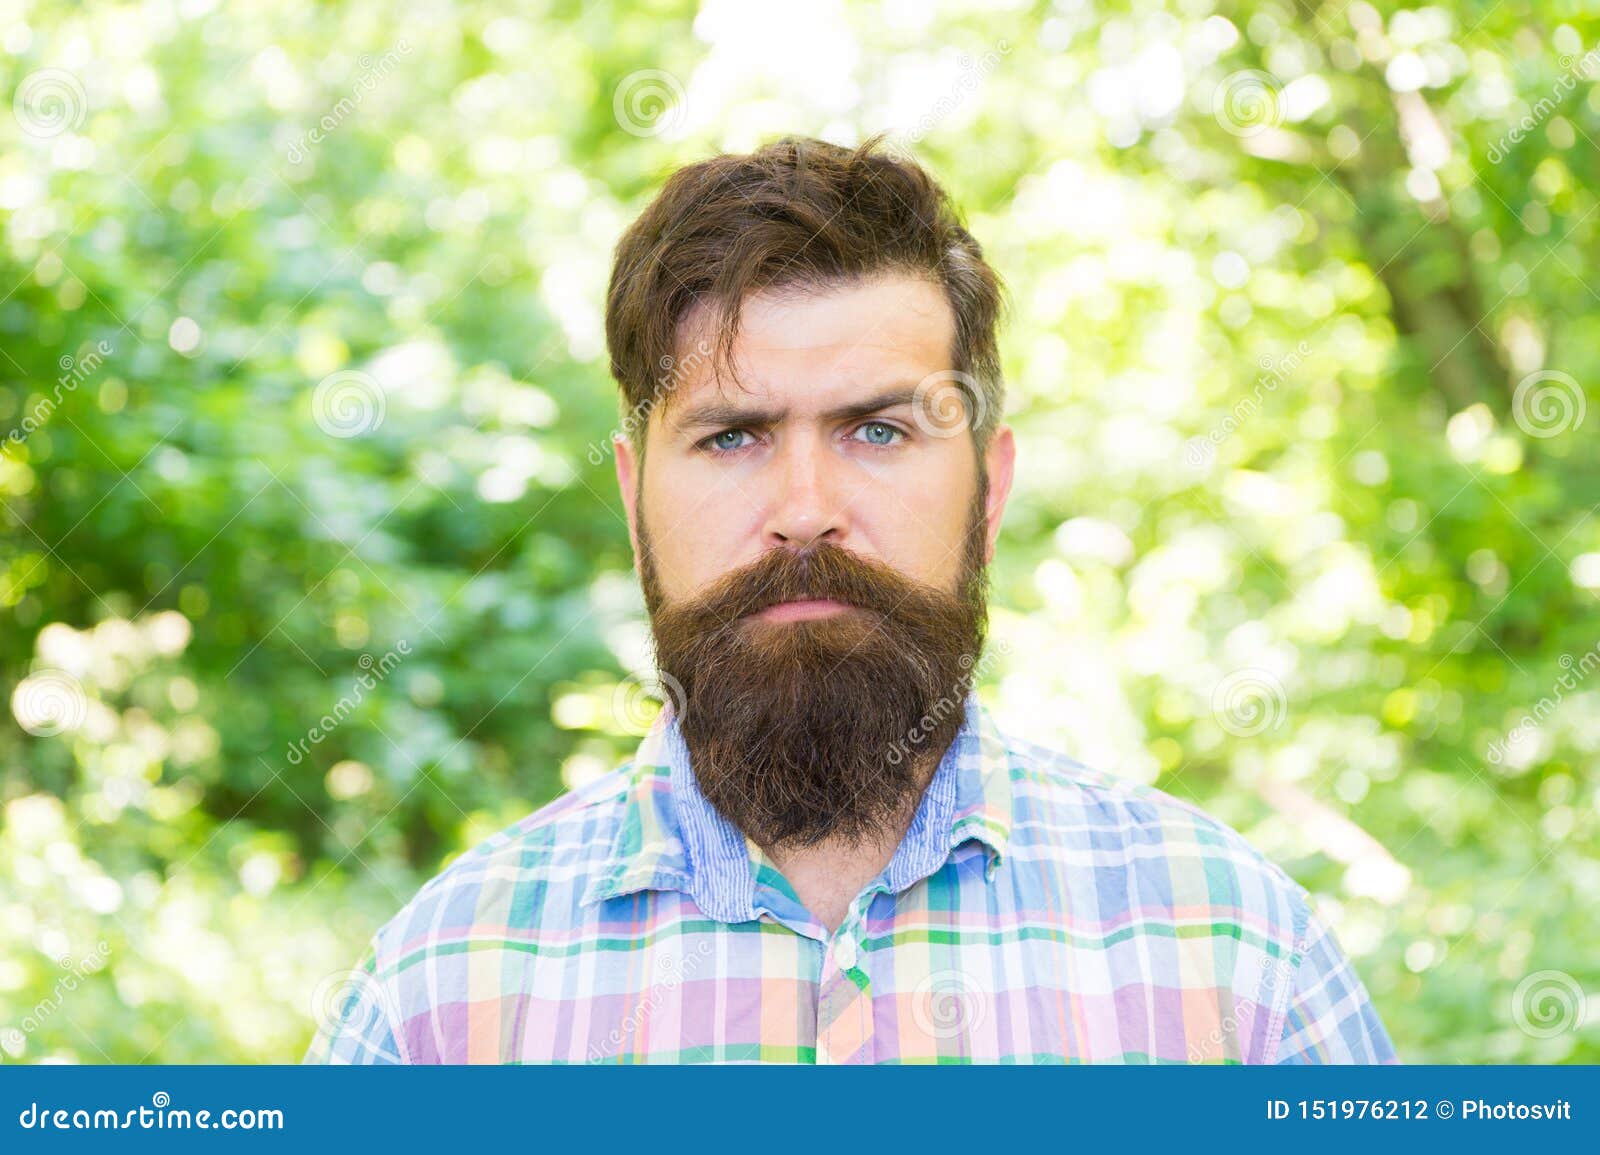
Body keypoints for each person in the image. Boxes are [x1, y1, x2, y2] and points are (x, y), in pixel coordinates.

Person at [306, 135, 1396, 1064]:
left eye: (878, 430)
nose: (804, 509)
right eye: (732, 436)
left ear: (989, 488)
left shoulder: (1236, 954)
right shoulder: (438, 1003)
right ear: (636, 498)